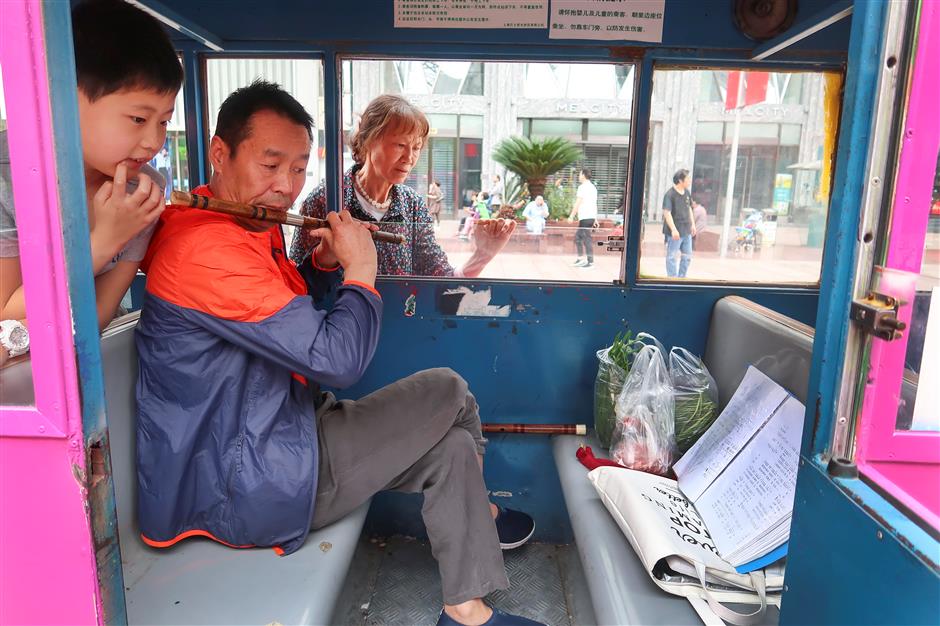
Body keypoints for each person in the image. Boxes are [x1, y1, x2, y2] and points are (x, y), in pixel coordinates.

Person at [136, 81, 542, 626]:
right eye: (270, 164)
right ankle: (485, 516)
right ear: (218, 154)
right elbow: (336, 362)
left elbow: (267, 322)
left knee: (449, 449)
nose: (285, 186)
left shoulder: (239, 226)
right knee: (448, 389)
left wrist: (323, 268)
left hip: (275, 435)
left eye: (299, 168)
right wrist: (361, 270)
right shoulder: (206, 247)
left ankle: (464, 609)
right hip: (251, 478)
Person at [0, 0, 182, 363]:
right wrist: (103, 243)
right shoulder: (8, 179)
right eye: (137, 119)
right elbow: (6, 310)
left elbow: (97, 315)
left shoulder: (139, 191)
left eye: (163, 121)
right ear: (66, 98)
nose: (152, 142)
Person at [289, 95, 514, 277]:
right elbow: (296, 280)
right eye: (399, 145)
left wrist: (483, 255)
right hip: (340, 327)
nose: (409, 157)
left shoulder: (413, 205)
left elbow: (440, 278)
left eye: (416, 148)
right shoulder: (327, 198)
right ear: (369, 140)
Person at [662, 168, 697, 277]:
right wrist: (673, 230)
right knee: (672, 256)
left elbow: (689, 209)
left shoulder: (687, 192)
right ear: (680, 181)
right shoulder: (670, 194)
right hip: (675, 232)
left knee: (687, 256)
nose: (690, 181)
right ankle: (672, 279)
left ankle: (682, 277)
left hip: (686, 230)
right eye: (688, 179)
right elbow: (667, 213)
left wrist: (693, 224)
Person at [567, 168, 598, 268]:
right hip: (590, 217)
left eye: (580, 174)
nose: (579, 176)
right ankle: (581, 259)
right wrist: (595, 219)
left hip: (585, 217)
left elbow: (578, 202)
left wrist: (571, 216)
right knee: (578, 238)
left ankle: (590, 262)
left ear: (584, 175)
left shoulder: (582, 187)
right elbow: (594, 204)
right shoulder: (593, 187)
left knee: (586, 239)